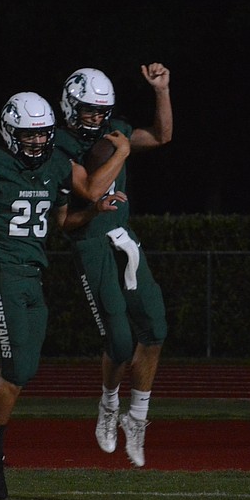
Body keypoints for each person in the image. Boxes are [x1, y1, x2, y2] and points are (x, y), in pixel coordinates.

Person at [0, 91, 127, 499]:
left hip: (34, 275)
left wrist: (96, 210)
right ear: (9, 132)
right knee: (17, 370)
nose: (38, 142)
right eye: (29, 135)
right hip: (3, 275)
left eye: (42, 134)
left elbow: (64, 220)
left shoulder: (57, 164)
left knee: (22, 368)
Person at [54, 64, 172, 467]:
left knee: (155, 328)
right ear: (71, 105)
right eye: (89, 109)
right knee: (120, 344)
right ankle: (108, 406)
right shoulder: (59, 144)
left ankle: (136, 418)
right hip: (90, 243)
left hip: (122, 236)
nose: (97, 117)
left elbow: (161, 136)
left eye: (101, 110)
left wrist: (161, 90)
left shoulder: (113, 126)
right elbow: (89, 190)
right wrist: (122, 150)